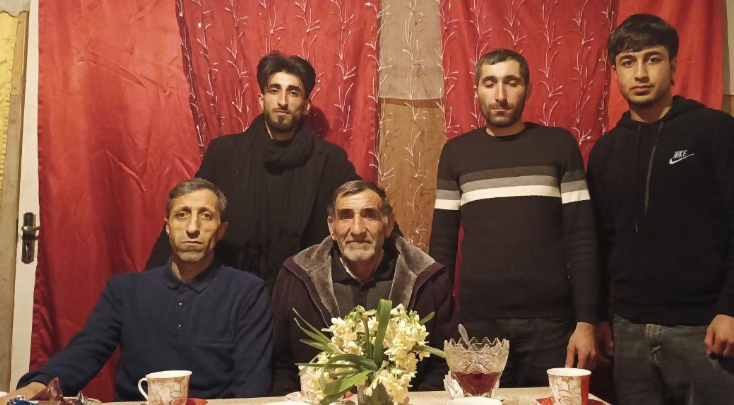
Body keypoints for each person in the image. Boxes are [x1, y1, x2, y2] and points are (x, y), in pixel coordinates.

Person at [587, 14, 734, 405]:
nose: (640, 73)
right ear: (615, 72)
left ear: (673, 65)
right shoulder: (604, 152)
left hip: (705, 327)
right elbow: (600, 240)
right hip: (629, 331)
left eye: (652, 59)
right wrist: (599, 315)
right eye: (628, 62)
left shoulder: (716, 130)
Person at [1, 179, 272, 402]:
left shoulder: (248, 292)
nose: (192, 228)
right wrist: (35, 387)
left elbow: (252, 385)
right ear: (168, 228)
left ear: (221, 231)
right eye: (182, 215)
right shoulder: (125, 291)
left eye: (206, 216)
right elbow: (85, 352)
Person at [429, 49, 602, 387]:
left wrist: (587, 322)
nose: (500, 95)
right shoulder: (456, 153)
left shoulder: (559, 145)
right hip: (478, 323)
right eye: (490, 83)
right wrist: (440, 318)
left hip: (551, 323)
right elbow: (442, 245)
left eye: (511, 82)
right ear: (476, 90)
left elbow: (582, 237)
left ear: (528, 89)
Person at [147, 52, 360, 292]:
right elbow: (189, 209)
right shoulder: (225, 153)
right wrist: (150, 287)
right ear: (261, 99)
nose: (282, 101)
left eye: (293, 92)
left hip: (302, 292)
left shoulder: (330, 161)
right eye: (274, 90)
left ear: (306, 105)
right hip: (231, 290)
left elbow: (366, 204)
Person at [270, 180, 455, 394]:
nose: (357, 229)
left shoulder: (428, 279)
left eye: (369, 215)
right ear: (331, 226)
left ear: (388, 224)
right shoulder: (296, 277)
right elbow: (281, 365)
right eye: (346, 216)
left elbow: (443, 364)